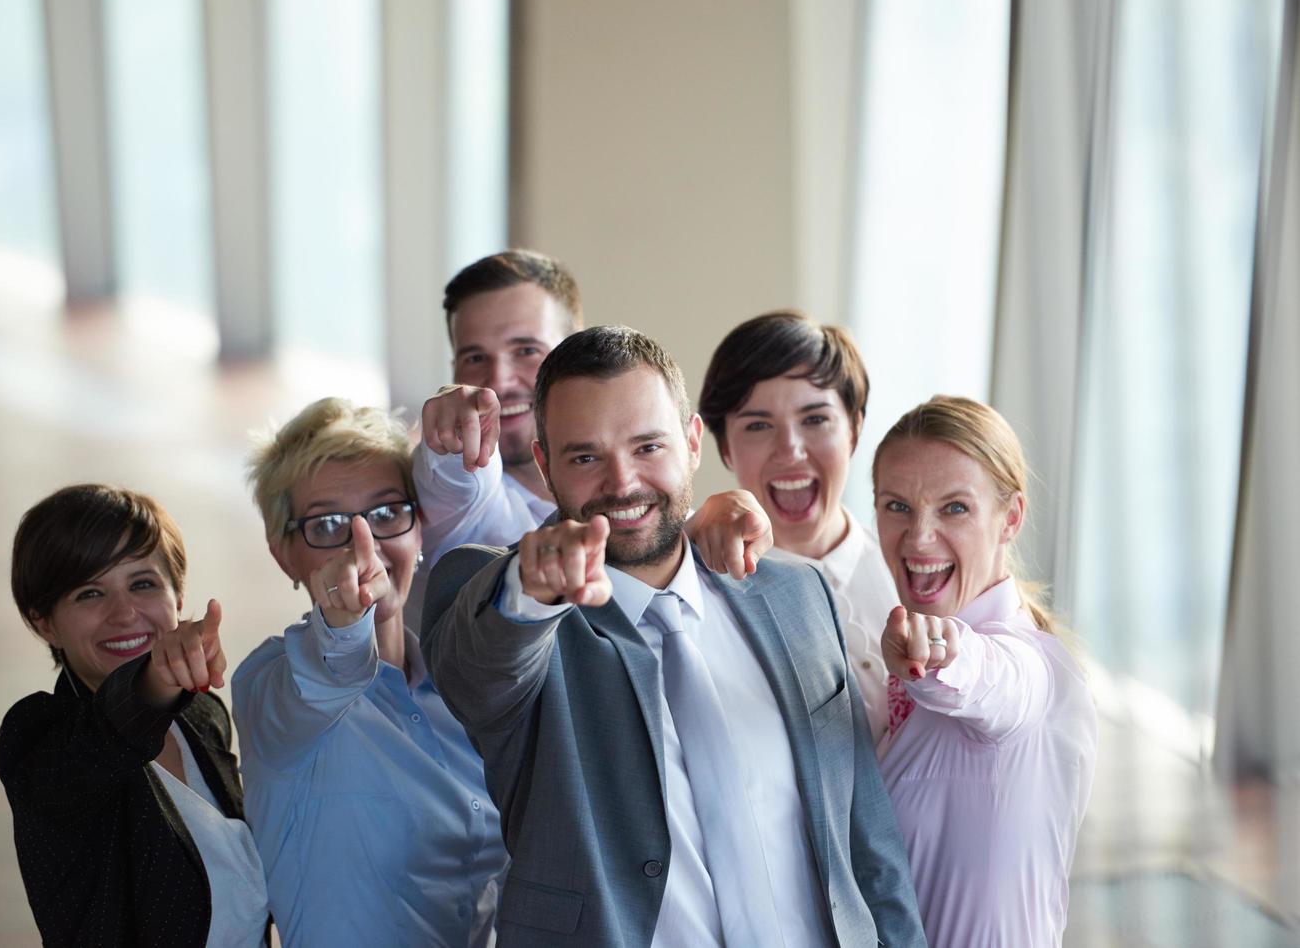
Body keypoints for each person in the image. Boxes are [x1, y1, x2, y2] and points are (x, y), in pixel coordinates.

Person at [423, 326, 926, 948]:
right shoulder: (510, 598)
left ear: (691, 443)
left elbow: (865, 840)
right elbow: (481, 669)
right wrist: (533, 586)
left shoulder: (796, 592)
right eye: (585, 457)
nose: (623, 482)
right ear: (546, 467)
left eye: (647, 446)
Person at [232, 398, 508, 948]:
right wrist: (341, 625)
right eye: (329, 524)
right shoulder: (271, 683)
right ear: (284, 553)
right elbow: (325, 674)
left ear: (420, 530)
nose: (366, 545)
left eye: (386, 513)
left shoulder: (461, 687)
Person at [0, 484, 267, 947]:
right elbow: (105, 739)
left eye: (143, 583)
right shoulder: (37, 736)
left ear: (178, 597)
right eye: (88, 593)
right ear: (44, 622)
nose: (124, 614)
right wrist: (156, 682)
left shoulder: (201, 715)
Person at [871, 395, 1097, 947]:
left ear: (1010, 518)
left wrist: (942, 654)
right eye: (897, 506)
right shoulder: (892, 675)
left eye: (954, 508)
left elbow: (993, 680)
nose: (919, 537)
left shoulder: (1031, 666)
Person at [695, 310, 898, 742]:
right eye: (758, 425)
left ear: (855, 431)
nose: (790, 451)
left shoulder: (911, 573)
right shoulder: (700, 598)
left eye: (815, 419)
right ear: (725, 449)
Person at [405, 250, 584, 628]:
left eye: (526, 350)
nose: (498, 380)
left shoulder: (623, 483)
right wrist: (449, 440)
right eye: (474, 358)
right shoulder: (464, 503)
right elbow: (455, 479)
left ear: (576, 354)